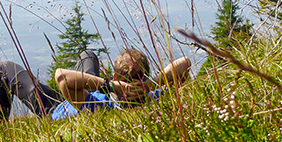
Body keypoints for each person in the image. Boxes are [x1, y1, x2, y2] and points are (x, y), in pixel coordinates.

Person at [52, 48, 191, 120]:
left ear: (114, 77)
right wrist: (150, 85)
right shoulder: (155, 98)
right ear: (146, 77)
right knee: (88, 56)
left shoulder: (100, 104)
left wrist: (111, 85)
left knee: (88, 56)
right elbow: (185, 63)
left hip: (56, 107)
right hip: (85, 89)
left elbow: (61, 76)